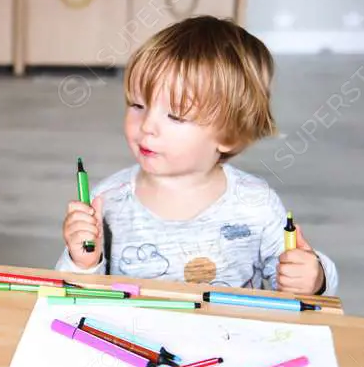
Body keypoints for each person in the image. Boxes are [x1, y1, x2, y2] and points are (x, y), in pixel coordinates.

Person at [58, 16, 338, 295]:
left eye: (176, 116)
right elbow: (76, 295)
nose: (146, 126)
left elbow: (296, 294)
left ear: (229, 136)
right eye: (137, 104)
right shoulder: (107, 199)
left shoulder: (257, 205)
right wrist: (82, 263)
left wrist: (314, 278)